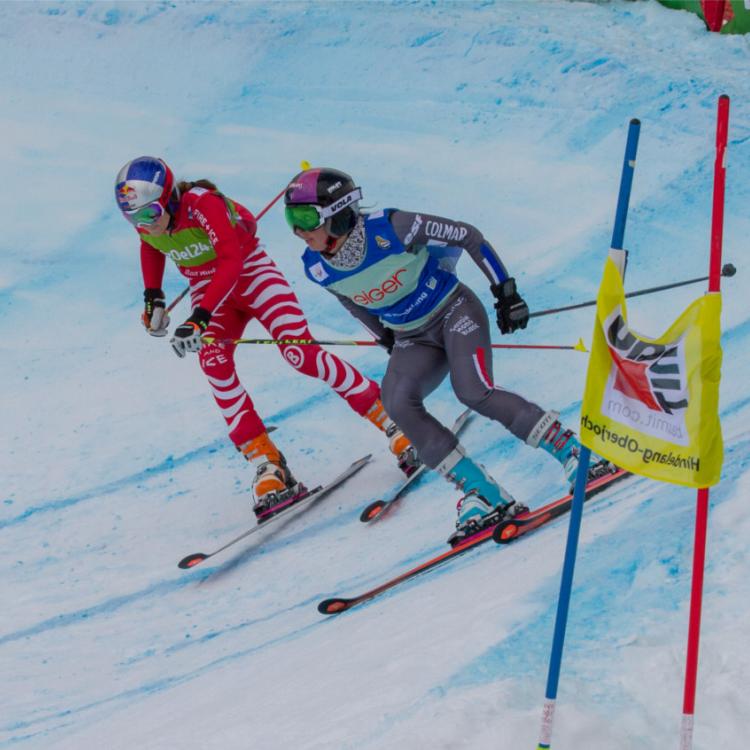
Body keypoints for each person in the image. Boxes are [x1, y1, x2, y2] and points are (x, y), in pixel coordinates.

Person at [283, 167, 613, 545]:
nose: (298, 230)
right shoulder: (315, 267)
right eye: (291, 219)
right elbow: (352, 302)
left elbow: (468, 235)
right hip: (412, 336)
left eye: (306, 218)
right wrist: (384, 337)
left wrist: (506, 292)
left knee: (474, 391)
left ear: (337, 213)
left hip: (454, 311)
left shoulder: (393, 227)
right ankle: (484, 494)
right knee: (396, 403)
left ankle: (575, 451)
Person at [114, 156, 413, 520]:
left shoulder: (201, 204)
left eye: (149, 215)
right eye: (134, 219)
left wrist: (199, 318)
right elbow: (151, 245)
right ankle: (267, 462)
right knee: (214, 364)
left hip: (249, 275)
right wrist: (153, 296)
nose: (144, 225)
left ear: (169, 198)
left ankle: (393, 419)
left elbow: (230, 262)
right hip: (207, 288)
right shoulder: (147, 219)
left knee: (300, 353)